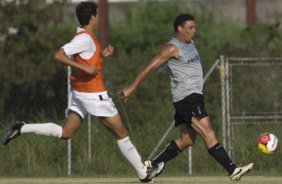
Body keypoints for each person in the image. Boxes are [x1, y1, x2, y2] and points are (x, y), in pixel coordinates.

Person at [2, 1, 164, 182]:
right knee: (121, 132)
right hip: (93, 95)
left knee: (66, 133)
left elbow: (85, 57)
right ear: (93, 17)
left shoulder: (83, 36)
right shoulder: (84, 38)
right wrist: (85, 69)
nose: (99, 17)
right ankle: (143, 173)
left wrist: (101, 55)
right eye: (98, 14)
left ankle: (21, 127)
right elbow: (58, 55)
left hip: (79, 93)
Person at [118, 13, 254, 181]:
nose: (194, 30)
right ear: (179, 28)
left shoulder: (190, 43)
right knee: (208, 133)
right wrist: (132, 87)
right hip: (187, 99)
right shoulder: (171, 48)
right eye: (190, 27)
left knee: (187, 140)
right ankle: (232, 169)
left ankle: (152, 166)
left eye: (194, 27)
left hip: (192, 97)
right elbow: (148, 67)